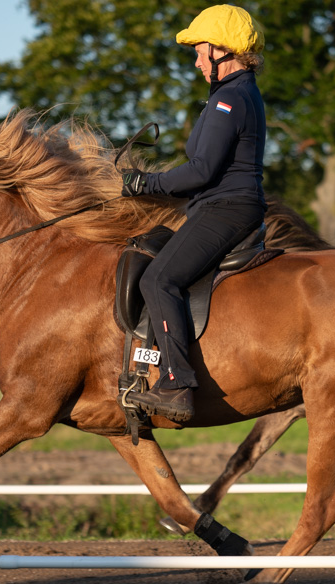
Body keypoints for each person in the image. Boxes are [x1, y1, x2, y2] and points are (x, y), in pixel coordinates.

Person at [119, 4, 267, 422]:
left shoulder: (229, 99)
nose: (198, 62)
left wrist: (143, 184)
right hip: (222, 206)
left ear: (223, 51)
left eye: (201, 52)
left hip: (226, 208)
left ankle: (175, 383)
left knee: (160, 278)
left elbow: (202, 171)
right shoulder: (236, 93)